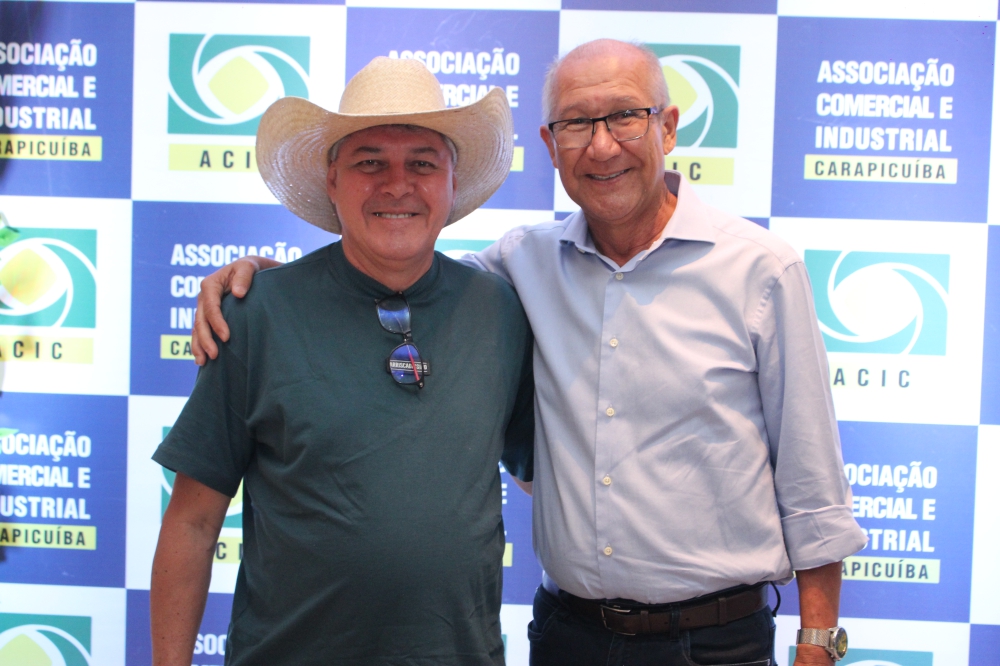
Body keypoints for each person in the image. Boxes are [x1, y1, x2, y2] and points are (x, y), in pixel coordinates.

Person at [192, 40, 866, 666]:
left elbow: (812, 484)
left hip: (716, 644)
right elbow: (392, 267)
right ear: (550, 145)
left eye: (625, 117)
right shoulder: (519, 267)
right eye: (577, 124)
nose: (602, 146)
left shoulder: (762, 270)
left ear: (667, 128)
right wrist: (269, 283)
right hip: (568, 636)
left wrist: (817, 642)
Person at [150, 56, 535, 666]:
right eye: (369, 162)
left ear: (452, 181)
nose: (397, 184)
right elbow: (192, 523)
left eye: (422, 163)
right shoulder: (254, 314)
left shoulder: (502, 310)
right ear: (332, 181)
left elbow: (542, 472)